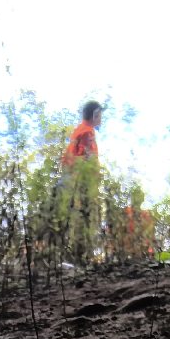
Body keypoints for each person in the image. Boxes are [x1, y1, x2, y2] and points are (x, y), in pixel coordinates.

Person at [54, 101, 104, 261]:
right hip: (80, 183)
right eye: (100, 115)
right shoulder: (87, 132)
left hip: (71, 181)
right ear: (95, 115)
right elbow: (85, 160)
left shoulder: (79, 130)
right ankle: (82, 255)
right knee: (85, 217)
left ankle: (77, 253)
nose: (101, 118)